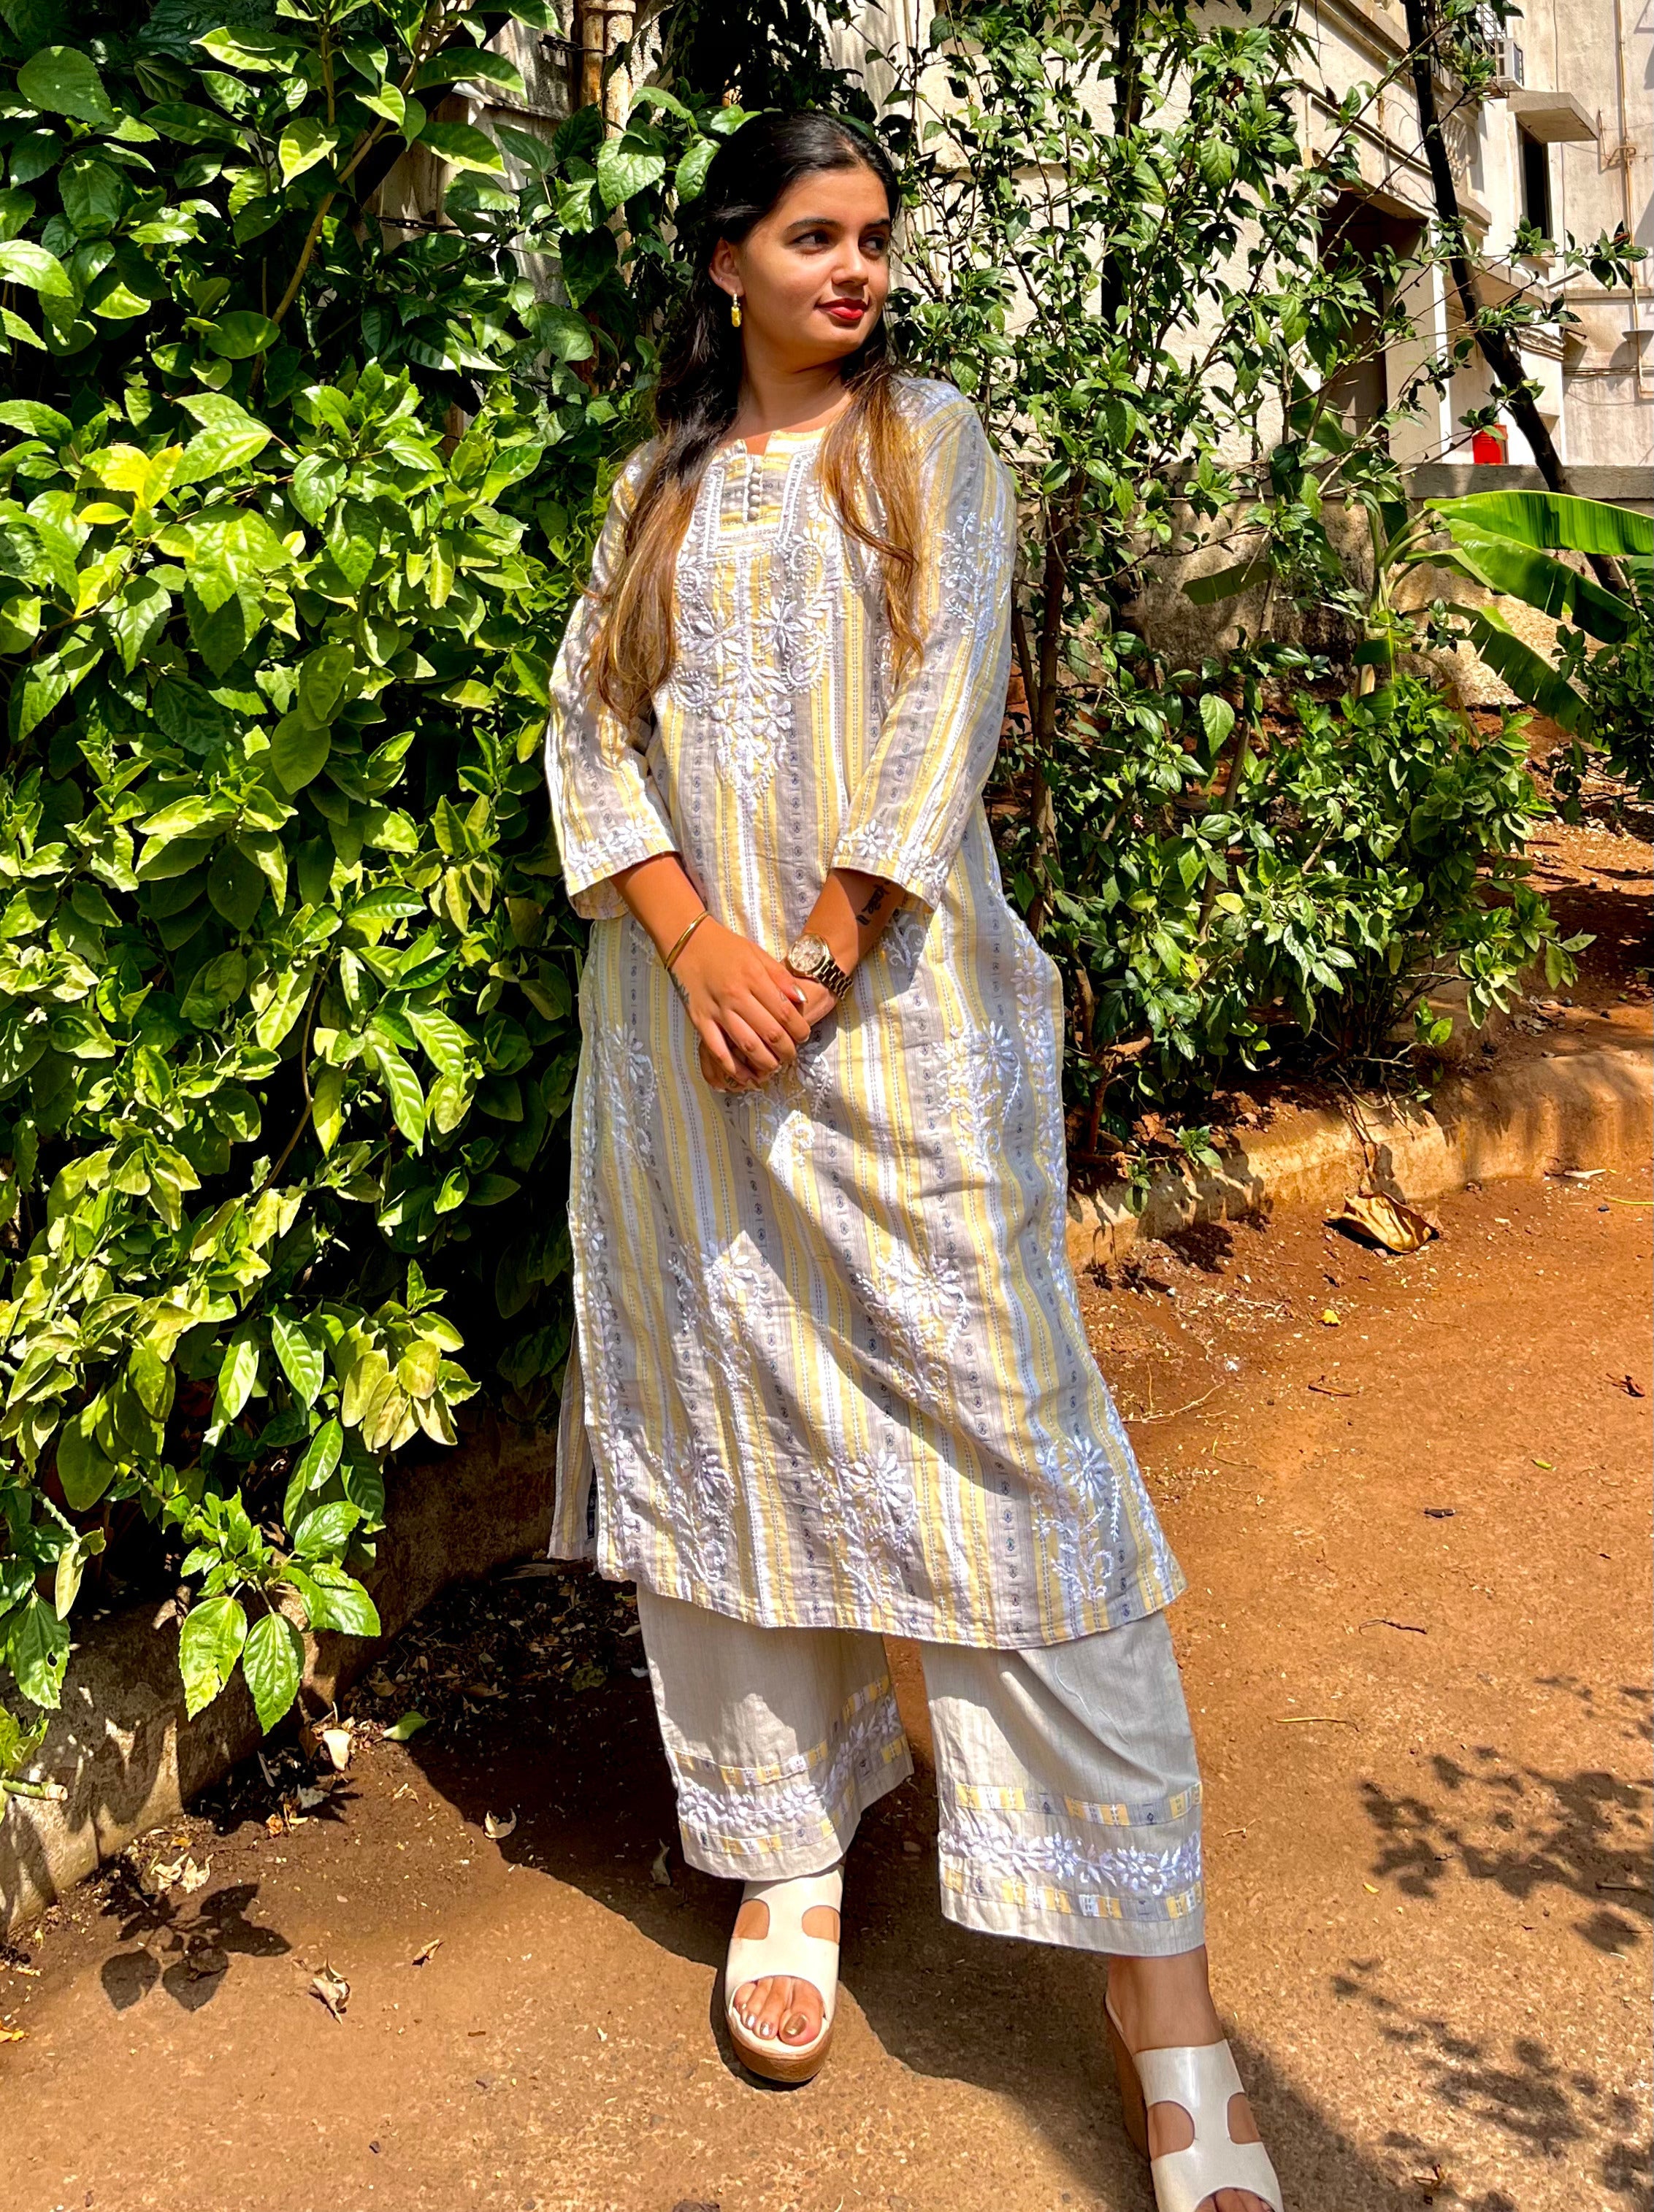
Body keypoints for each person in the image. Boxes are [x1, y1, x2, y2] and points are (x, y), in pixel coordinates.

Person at [542, 107, 1284, 2212]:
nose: (855, 269)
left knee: (1016, 1477)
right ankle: (785, 1855)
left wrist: (811, 944)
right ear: (725, 263)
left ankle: (1163, 2002)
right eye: (812, 236)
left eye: (873, 237)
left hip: (896, 1048)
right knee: (731, 1433)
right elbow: (590, 732)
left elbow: (948, 705)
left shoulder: (927, 443)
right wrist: (696, 948)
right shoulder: (653, 490)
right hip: (687, 1059)